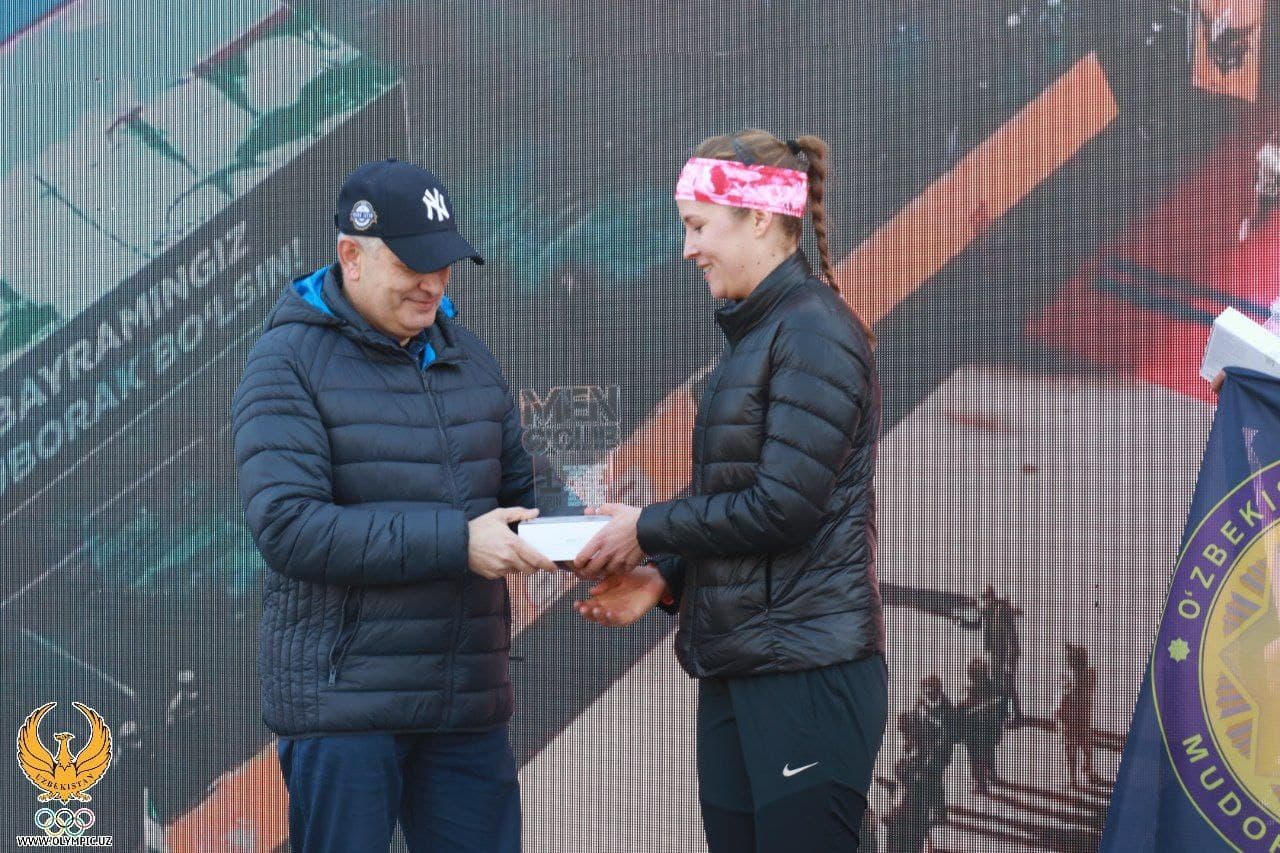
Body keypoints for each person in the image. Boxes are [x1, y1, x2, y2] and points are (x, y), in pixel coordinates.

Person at [572, 129, 887, 851]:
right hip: (742, 666)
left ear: (760, 218)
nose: (688, 249)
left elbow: (784, 507)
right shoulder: (760, 335)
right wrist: (667, 579)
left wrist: (646, 528)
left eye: (697, 226)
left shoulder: (814, 333)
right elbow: (745, 504)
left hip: (805, 676)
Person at [231, 159, 557, 852]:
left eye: (444, 262)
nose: (433, 282)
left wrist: (594, 541)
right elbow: (289, 527)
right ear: (351, 255)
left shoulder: (469, 355)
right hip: (346, 710)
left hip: (466, 702)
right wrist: (458, 542)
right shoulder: (284, 362)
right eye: (414, 263)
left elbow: (524, 489)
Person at [1055, 642, 1098, 789]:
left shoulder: (1070, 681)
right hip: (1084, 720)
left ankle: (1073, 780)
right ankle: (1088, 770)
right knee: (1086, 746)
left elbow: (1062, 702)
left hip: (1070, 722)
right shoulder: (1090, 674)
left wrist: (1058, 715)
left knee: (1071, 749)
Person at [1239, 130, 1280, 242]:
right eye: (1275, 136)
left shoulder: (1274, 150)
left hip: (1273, 189)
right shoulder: (1267, 153)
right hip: (1266, 191)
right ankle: (1247, 224)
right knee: (1262, 218)